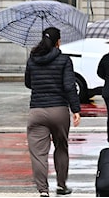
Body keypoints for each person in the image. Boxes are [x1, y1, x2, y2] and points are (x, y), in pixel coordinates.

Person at [24, 27, 81, 197]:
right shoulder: (64, 60)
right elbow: (69, 86)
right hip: (59, 110)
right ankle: (62, 185)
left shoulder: (32, 59)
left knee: (38, 153)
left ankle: (43, 190)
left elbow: (28, 83)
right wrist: (76, 109)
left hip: (37, 110)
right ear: (58, 41)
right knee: (61, 148)